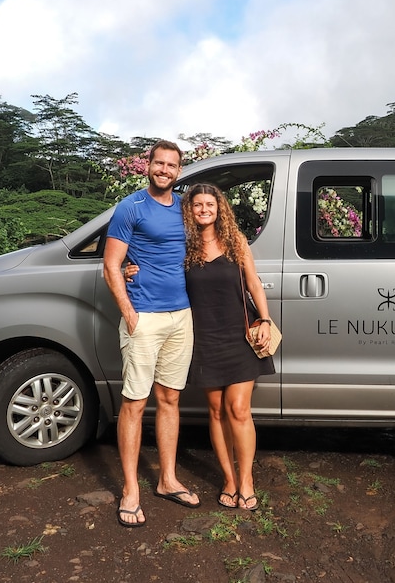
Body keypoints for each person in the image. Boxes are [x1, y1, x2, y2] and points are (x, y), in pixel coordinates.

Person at [103, 139, 200, 528]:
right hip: (144, 316)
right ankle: (130, 490)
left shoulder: (185, 207)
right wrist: (129, 313)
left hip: (181, 316)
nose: (164, 170)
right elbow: (111, 264)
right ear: (148, 166)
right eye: (159, 163)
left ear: (179, 170)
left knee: (170, 399)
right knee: (134, 403)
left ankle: (167, 479)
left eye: (171, 165)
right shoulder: (131, 207)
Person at [182, 183, 275, 511]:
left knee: (237, 408)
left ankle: (246, 480)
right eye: (198, 205)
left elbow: (253, 283)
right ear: (190, 210)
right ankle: (229, 480)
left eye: (210, 204)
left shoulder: (236, 241)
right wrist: (130, 270)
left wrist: (265, 319)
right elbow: (160, 274)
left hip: (239, 333)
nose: (204, 210)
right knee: (216, 410)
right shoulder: (184, 246)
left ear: (219, 208)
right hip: (203, 336)